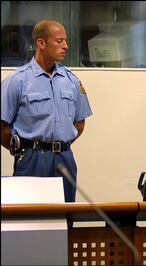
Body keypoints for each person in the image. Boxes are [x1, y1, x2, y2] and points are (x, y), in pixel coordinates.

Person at [1, 19, 93, 203]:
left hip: (64, 159)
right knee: (29, 220)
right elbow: (2, 126)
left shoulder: (71, 80)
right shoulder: (17, 80)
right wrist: (24, 151)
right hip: (31, 159)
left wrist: (57, 145)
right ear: (41, 43)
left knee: (65, 219)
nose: (65, 46)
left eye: (66, 41)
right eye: (59, 41)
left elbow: (79, 123)